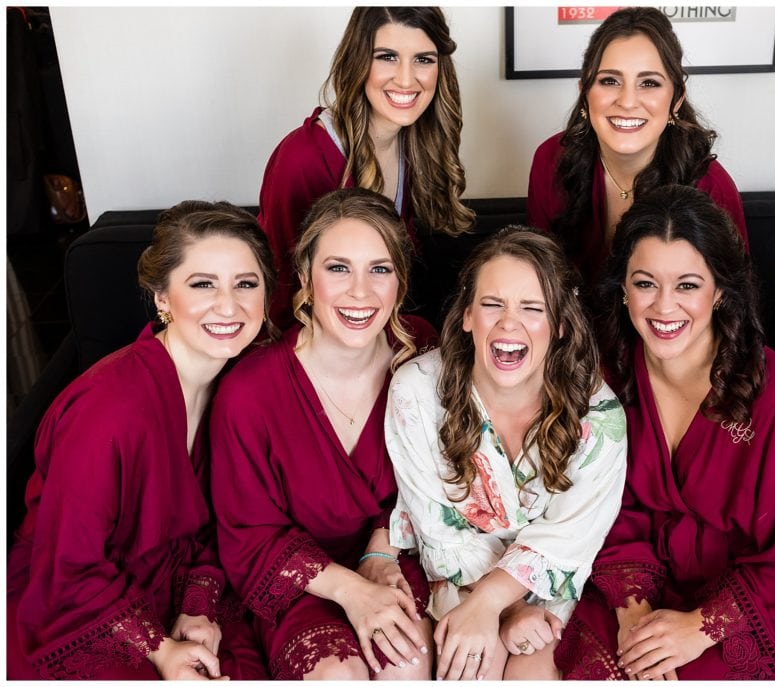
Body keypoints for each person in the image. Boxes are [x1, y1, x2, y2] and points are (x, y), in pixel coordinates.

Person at [555, 184, 775, 680]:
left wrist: (698, 629)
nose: (664, 307)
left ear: (720, 290)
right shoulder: (607, 379)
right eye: (645, 284)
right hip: (628, 583)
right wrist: (632, 611)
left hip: (741, 609)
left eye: (687, 285)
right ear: (622, 288)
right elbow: (601, 507)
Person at [7, 201, 275, 680]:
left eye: (246, 284)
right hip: (79, 597)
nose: (229, 305)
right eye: (202, 284)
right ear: (162, 298)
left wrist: (197, 607)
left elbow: (227, 518)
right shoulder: (111, 412)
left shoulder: (236, 388)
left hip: (178, 583)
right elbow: (70, 559)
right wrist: (158, 648)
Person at [210, 188, 437, 680]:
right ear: (305, 278)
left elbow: (449, 475)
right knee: (338, 677)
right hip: (300, 582)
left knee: (407, 665)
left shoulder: (425, 353)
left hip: (400, 558)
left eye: (380, 269)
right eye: (338, 268)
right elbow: (249, 536)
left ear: (400, 279)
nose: (361, 292)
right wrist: (353, 591)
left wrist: (381, 552)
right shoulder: (249, 391)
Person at [384, 228, 628, 680]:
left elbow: (570, 537)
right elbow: (440, 531)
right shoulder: (417, 391)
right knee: (471, 666)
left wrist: (506, 605)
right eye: (493, 304)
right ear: (467, 316)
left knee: (529, 675)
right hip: (457, 577)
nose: (509, 324)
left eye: (532, 308)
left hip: (549, 588)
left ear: (558, 326)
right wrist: (496, 608)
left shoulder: (599, 415)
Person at [258, 6, 473, 328]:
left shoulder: (417, 148)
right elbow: (278, 295)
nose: (405, 78)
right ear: (358, 61)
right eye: (386, 56)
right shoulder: (304, 156)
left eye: (424, 59)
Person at [527, 7, 747, 291]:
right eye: (609, 81)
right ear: (584, 93)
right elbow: (541, 289)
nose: (628, 101)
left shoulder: (713, 187)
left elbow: (732, 306)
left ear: (676, 100)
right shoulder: (550, 160)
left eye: (649, 83)